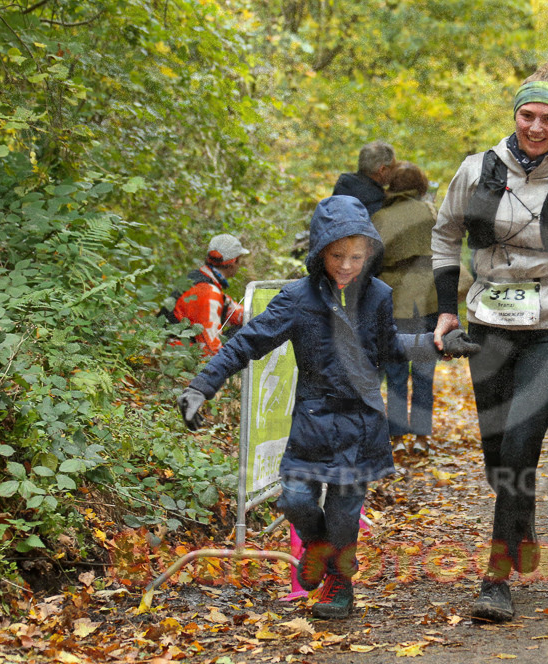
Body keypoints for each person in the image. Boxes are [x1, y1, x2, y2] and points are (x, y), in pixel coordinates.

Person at [176, 196, 479, 620]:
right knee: (297, 499)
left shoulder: (377, 295)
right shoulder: (297, 298)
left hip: (361, 422)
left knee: (343, 514)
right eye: (337, 255)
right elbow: (248, 341)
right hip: (313, 419)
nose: (347, 265)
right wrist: (201, 386)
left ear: (369, 253)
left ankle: (339, 582)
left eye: (356, 256)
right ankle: (317, 550)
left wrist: (436, 343)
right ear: (320, 251)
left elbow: (390, 346)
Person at [430, 62, 548, 622]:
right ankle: (521, 515)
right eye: (528, 115)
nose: (537, 127)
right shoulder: (476, 169)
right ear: (515, 114)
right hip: (490, 314)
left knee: (520, 442)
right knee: (498, 455)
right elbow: (445, 237)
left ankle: (496, 578)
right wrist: (444, 310)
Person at [371, 162, 439, 457]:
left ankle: (397, 438)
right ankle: (422, 439)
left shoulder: (380, 217)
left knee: (396, 373)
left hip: (394, 299)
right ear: (420, 185)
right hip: (427, 298)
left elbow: (372, 259)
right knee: (424, 372)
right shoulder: (430, 213)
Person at [165, 233, 250, 356]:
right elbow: (211, 349)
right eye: (239, 261)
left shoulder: (199, 279)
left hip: (176, 349)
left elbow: (235, 312)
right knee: (245, 333)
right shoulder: (208, 292)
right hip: (181, 355)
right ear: (233, 262)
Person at [332, 141, 398, 215]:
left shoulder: (340, 192)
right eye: (393, 168)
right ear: (382, 170)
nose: (395, 172)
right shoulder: (378, 208)